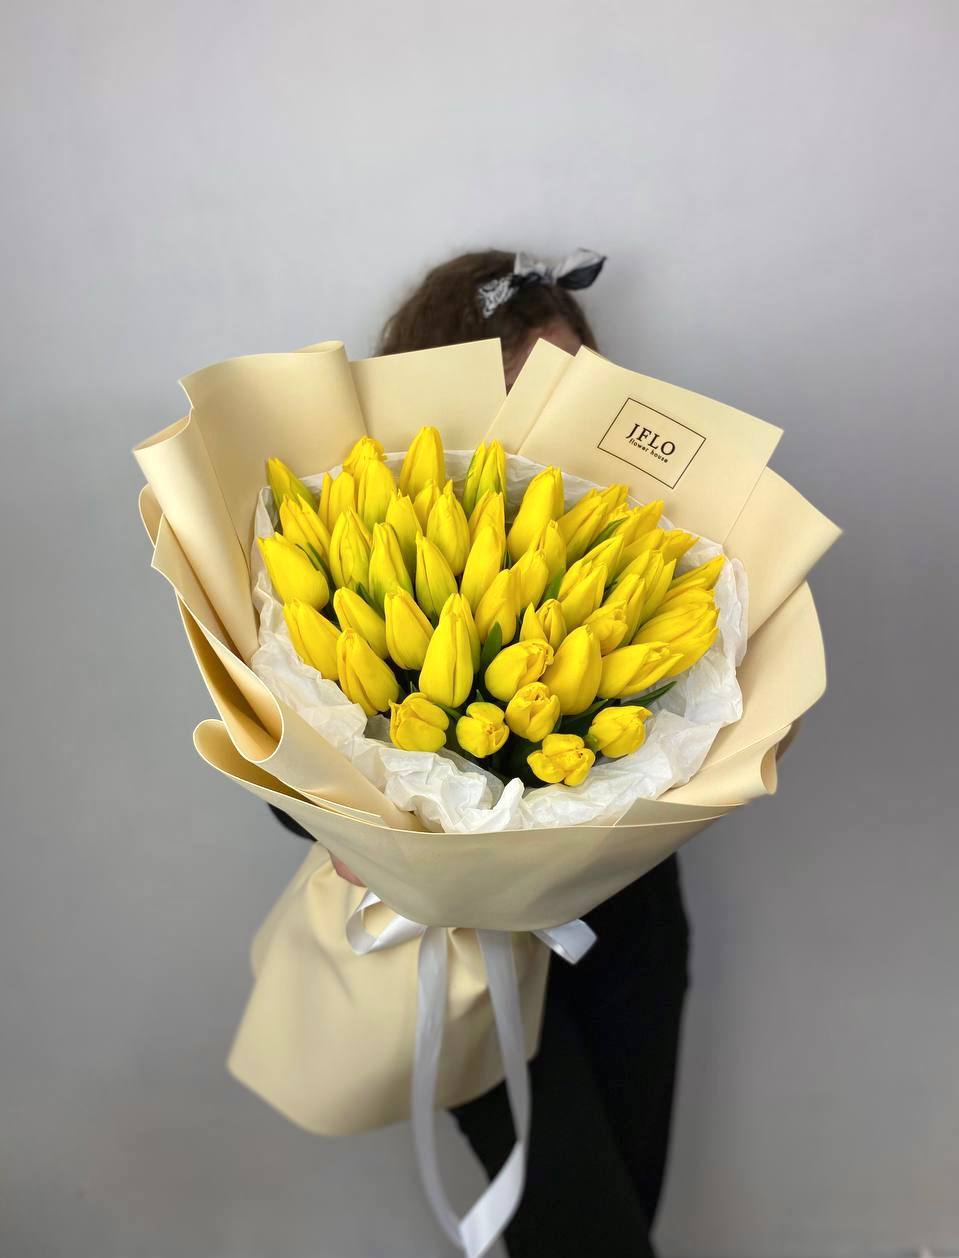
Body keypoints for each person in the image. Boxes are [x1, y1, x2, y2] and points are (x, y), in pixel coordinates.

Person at [272, 248, 689, 1257]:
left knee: (622, 1214)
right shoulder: (363, 524)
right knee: (587, 1238)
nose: (551, 414)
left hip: (627, 930)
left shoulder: (635, 528)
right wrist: (358, 836)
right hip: (462, 947)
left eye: (575, 382)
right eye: (522, 385)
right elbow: (278, 745)